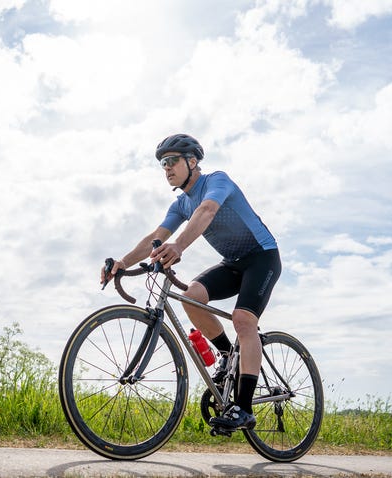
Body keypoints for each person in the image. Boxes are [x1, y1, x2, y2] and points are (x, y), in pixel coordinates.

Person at [101, 133, 281, 431]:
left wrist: (179, 246)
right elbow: (153, 239)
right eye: (162, 164)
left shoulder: (216, 181)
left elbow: (207, 211)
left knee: (243, 320)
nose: (167, 168)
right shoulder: (180, 205)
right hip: (234, 263)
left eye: (171, 161)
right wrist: (122, 263)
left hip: (262, 258)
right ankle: (227, 354)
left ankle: (244, 409)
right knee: (192, 297)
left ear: (192, 161)